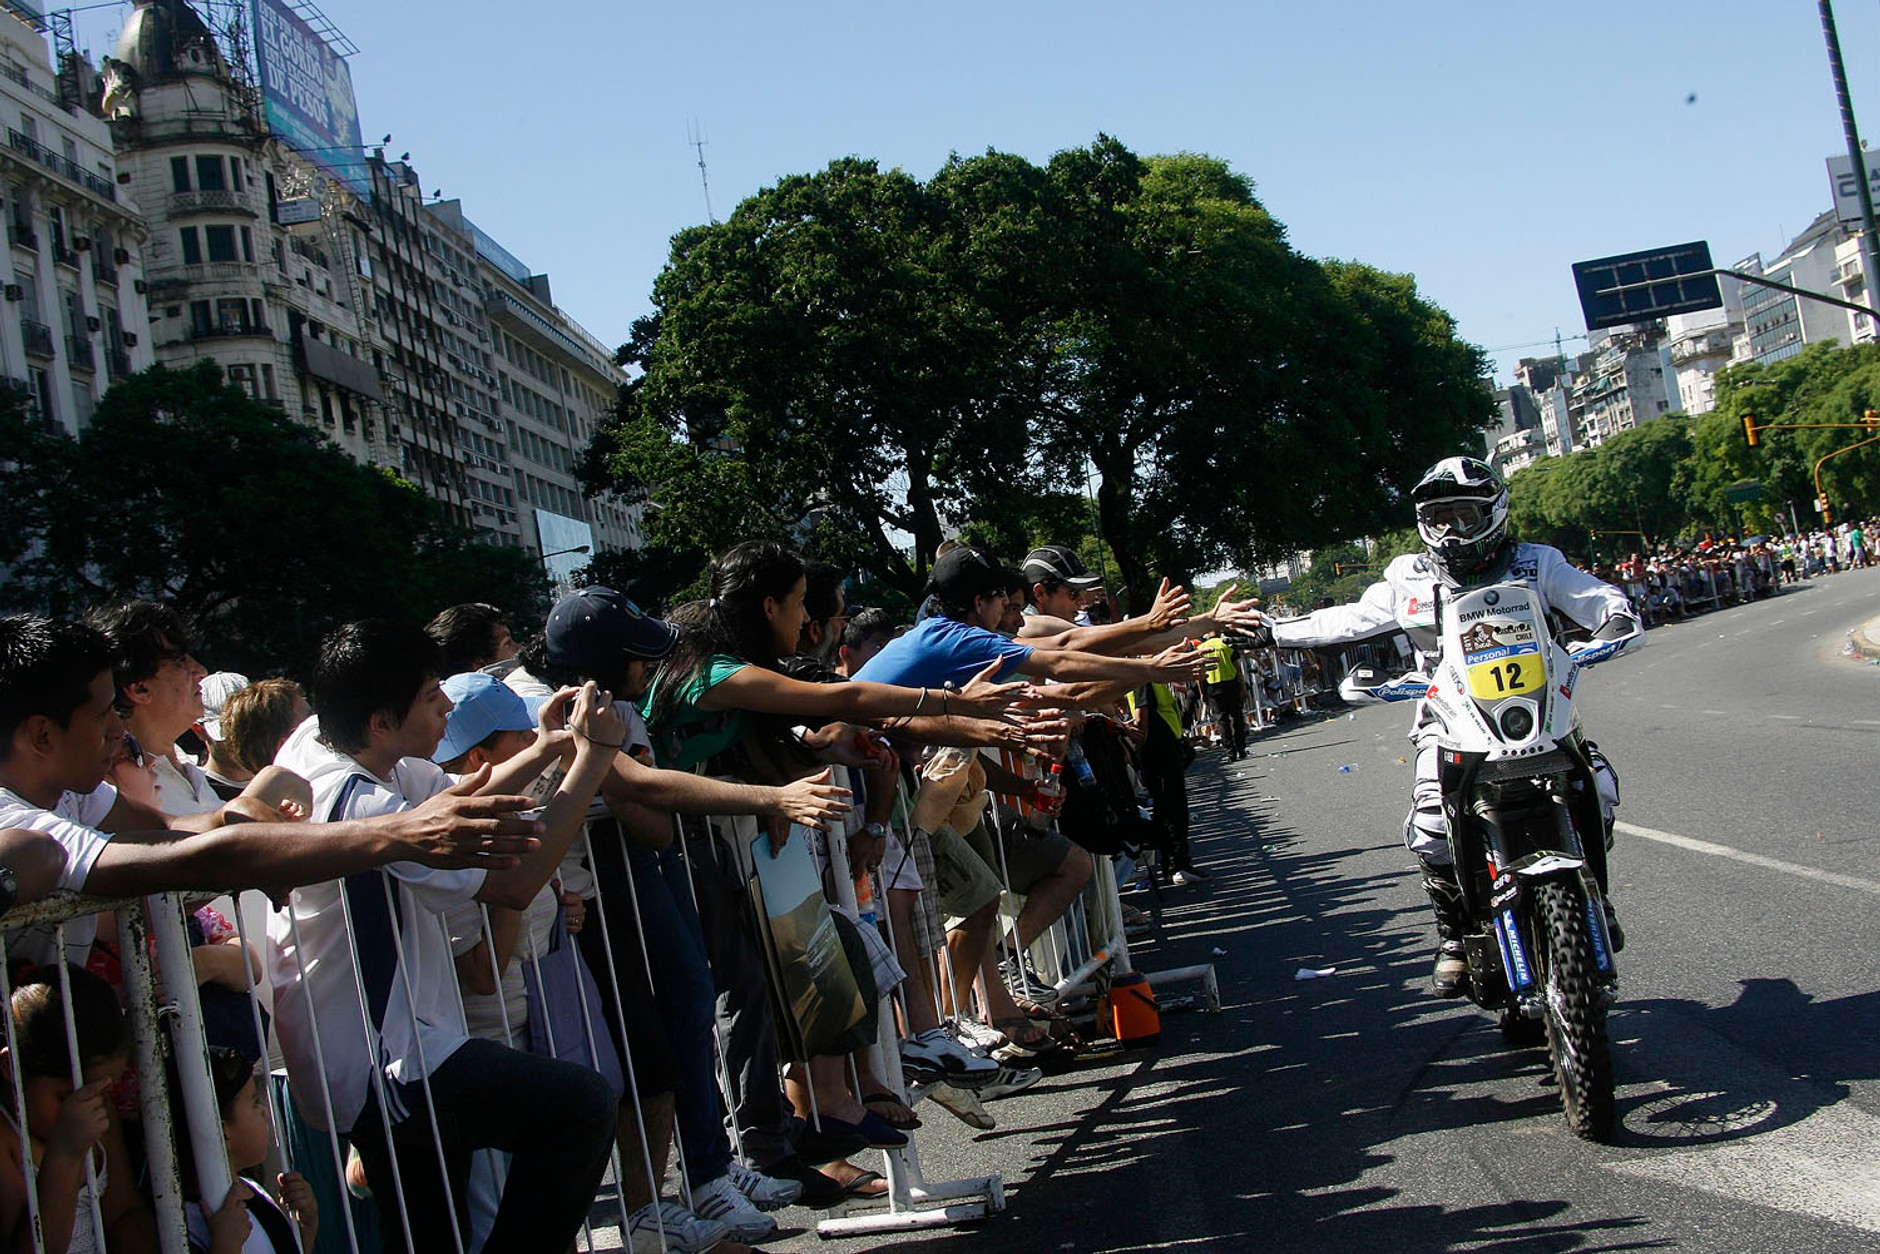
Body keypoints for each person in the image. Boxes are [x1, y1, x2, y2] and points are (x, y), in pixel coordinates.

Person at [268, 619, 621, 1254]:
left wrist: (545, 749)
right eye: (434, 697)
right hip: (385, 1063)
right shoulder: (362, 804)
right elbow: (514, 883)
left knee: (435, 1231)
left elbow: (464, 796)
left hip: (402, 1045)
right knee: (580, 1108)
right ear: (381, 720)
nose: (449, 707)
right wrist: (591, 760)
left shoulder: (333, 745)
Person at [1270, 457, 1640, 997]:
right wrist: (1268, 631)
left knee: (1600, 788)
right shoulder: (1407, 575)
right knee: (1429, 827)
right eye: (1440, 517)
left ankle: (1594, 894)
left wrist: (1612, 626)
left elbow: (1602, 600)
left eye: (1464, 515)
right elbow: (1349, 619)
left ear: (1494, 512)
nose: (1452, 530)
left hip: (1542, 711)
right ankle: (1454, 934)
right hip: (1446, 723)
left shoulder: (1539, 564)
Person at [0, 615, 543, 973]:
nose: (119, 732)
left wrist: (242, 816)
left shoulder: (73, 794)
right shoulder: (21, 824)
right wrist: (397, 833)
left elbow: (171, 831)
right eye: (100, 718)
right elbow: (200, 859)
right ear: (43, 735)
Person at [0, 965, 155, 1254]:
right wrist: (65, 1153)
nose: (81, 1111)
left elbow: (122, 1213)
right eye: (66, 1096)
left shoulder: (97, 1108)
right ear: (12, 1069)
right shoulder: (6, 1139)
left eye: (102, 1093)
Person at [172, 1046, 318, 1254]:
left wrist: (306, 1226)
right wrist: (224, 1247)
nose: (264, 1112)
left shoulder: (253, 1190)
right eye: (254, 1102)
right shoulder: (187, 1226)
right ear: (222, 1130)